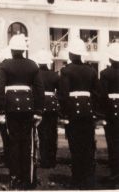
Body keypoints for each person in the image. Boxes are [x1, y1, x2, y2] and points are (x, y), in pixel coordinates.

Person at [0, 34, 44, 189]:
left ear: (11, 50)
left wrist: (1, 111)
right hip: (28, 107)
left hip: (11, 107)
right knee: (27, 143)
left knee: (14, 143)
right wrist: (39, 111)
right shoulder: (32, 65)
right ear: (24, 50)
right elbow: (39, 89)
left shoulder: (5, 66)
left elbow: (0, 89)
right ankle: (27, 177)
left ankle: (15, 176)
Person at [58, 37, 100, 189]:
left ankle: (77, 178)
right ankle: (87, 177)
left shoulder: (66, 71)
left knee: (75, 146)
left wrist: (63, 114)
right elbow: (96, 94)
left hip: (73, 112)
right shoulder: (91, 71)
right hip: (88, 112)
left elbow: (63, 94)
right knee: (88, 145)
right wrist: (96, 113)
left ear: (71, 54)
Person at [35, 50, 60, 169]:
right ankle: (52, 159)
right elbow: (59, 91)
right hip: (52, 105)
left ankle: (44, 159)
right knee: (52, 133)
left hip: (40, 104)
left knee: (42, 133)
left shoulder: (36, 74)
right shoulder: (55, 75)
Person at [100, 42, 119, 187]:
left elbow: (102, 96)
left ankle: (115, 172)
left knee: (113, 143)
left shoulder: (105, 74)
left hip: (111, 112)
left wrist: (102, 115)